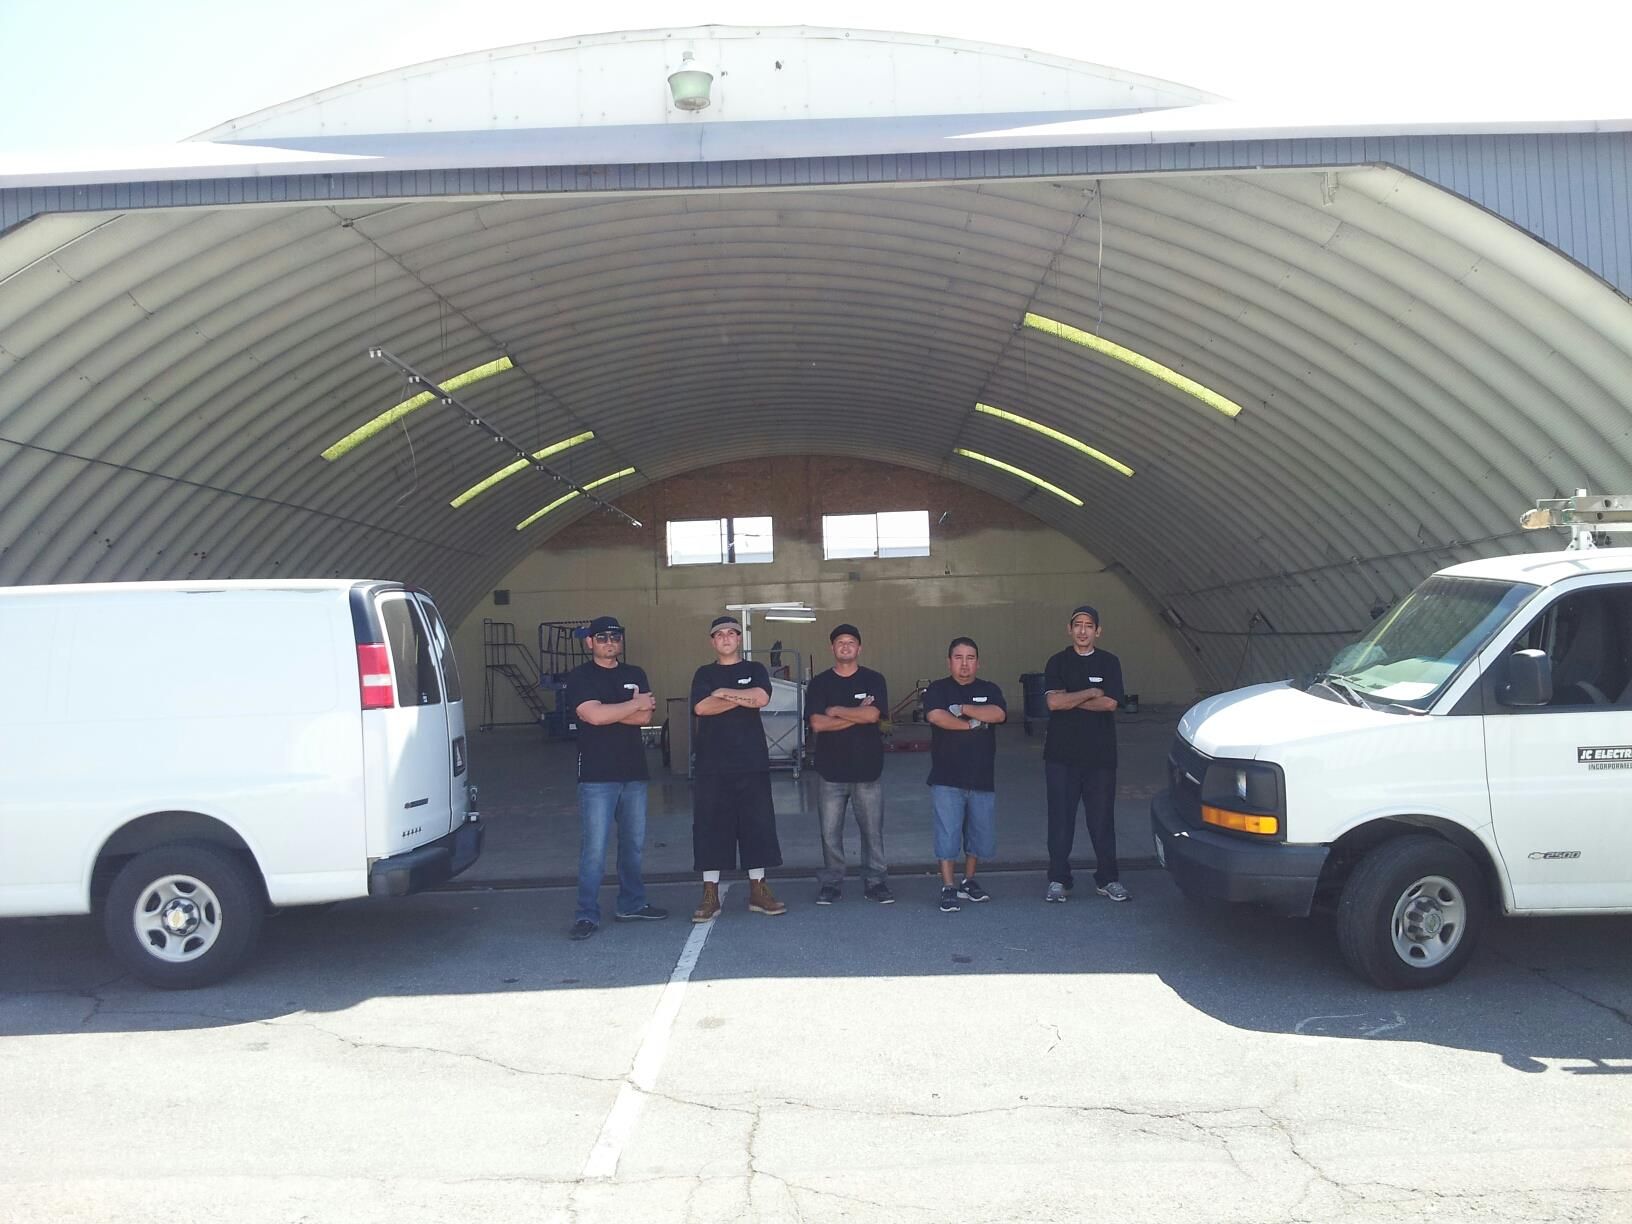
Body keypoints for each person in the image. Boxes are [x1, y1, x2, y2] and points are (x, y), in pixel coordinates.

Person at [564, 615, 667, 940]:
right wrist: (629, 706)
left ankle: (632, 904)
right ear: (589, 642)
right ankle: (586, 915)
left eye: (615, 636)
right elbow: (592, 716)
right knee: (594, 850)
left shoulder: (635, 673)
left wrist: (612, 711)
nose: (610, 641)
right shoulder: (580, 676)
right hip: (596, 777)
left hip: (634, 773)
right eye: (603, 637)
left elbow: (646, 715)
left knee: (632, 846)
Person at [689, 614, 786, 920]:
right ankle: (710, 894)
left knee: (756, 825)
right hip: (711, 764)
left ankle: (759, 891)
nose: (726, 638)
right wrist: (741, 698)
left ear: (739, 639)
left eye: (732, 633)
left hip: (751, 763)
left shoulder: (754, 669)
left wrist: (723, 694)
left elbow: (761, 698)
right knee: (709, 827)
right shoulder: (703, 672)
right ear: (712, 641)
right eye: (720, 635)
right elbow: (701, 707)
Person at [1042, 605, 1130, 903]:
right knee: (1060, 820)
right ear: (1069, 629)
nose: (1082, 630)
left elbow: (1110, 704)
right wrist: (1091, 692)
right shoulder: (1057, 662)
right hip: (1061, 757)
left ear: (1098, 631)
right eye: (1077, 624)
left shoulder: (1110, 663)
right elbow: (1053, 704)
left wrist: (1070, 697)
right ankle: (1058, 880)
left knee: (1102, 820)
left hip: (1100, 758)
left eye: (1089, 625)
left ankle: (1108, 879)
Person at [806, 623, 892, 905]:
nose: (845, 646)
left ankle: (876, 881)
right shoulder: (820, 683)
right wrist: (857, 712)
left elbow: (873, 717)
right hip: (830, 772)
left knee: (872, 832)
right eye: (840, 642)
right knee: (830, 833)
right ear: (832, 648)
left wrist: (837, 711)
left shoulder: (874, 679)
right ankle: (832, 882)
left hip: (867, 770)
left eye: (851, 642)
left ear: (859, 648)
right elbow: (817, 723)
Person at [923, 637, 1007, 912]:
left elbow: (998, 713)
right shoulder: (938, 689)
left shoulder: (990, 689)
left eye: (970, 658)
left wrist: (965, 710)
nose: (964, 664)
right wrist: (972, 725)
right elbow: (936, 716)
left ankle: (969, 882)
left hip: (982, 777)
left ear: (978, 662)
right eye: (958, 657)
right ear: (949, 661)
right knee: (947, 835)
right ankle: (948, 886)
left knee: (978, 836)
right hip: (946, 778)